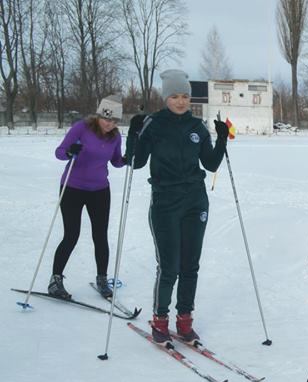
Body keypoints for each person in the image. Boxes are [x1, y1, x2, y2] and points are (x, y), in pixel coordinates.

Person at [125, 69, 230, 346]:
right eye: (174, 96)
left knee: (190, 265)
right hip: (165, 202)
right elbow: (134, 162)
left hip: (195, 201)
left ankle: (185, 321)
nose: (181, 101)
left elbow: (210, 164)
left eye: (185, 96)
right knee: (169, 266)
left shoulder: (197, 127)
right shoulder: (154, 124)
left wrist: (221, 138)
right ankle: (160, 320)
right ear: (165, 97)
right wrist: (133, 134)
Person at [49, 95, 125, 300]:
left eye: (114, 121)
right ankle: (55, 279)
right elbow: (60, 152)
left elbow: (116, 160)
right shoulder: (81, 128)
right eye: (106, 119)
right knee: (71, 235)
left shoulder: (115, 136)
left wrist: (127, 159)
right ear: (99, 115)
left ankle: (102, 278)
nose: (110, 124)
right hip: (73, 187)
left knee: (100, 236)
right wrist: (70, 151)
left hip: (100, 190)